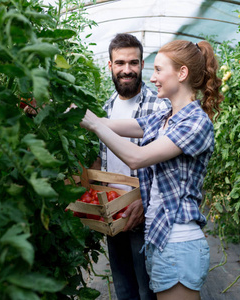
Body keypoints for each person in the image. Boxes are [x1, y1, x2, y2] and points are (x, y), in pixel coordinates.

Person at [80, 39, 223, 300]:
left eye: (158, 70)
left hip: (179, 241)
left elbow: (137, 157)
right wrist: (74, 112)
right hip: (160, 239)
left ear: (182, 74)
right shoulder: (165, 117)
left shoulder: (195, 123)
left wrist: (97, 127)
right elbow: (116, 124)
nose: (153, 78)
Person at [92, 33, 170, 300]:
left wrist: (143, 199)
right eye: (121, 63)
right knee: (124, 289)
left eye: (133, 63)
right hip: (112, 212)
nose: (127, 70)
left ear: (142, 65)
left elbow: (167, 163)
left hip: (145, 213)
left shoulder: (159, 106)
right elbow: (102, 160)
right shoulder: (106, 108)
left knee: (149, 290)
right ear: (110, 66)